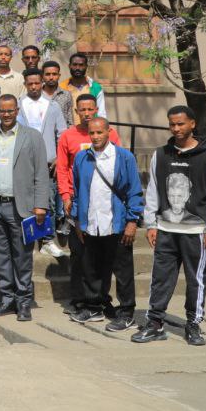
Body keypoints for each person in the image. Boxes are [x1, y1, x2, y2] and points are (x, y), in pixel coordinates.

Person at [132, 105, 206, 347]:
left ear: (192, 124)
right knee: (160, 279)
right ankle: (154, 323)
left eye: (181, 124)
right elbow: (153, 189)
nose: (176, 128)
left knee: (196, 280)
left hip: (196, 233)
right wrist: (151, 223)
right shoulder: (161, 154)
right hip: (165, 230)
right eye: (172, 124)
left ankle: (193, 324)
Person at [0, 95, 50, 322]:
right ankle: (7, 298)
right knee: (1, 255)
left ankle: (23, 301)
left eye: (10, 111)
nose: (6, 114)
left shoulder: (32, 137)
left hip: (22, 207)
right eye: (3, 111)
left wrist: (41, 205)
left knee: (22, 256)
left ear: (17, 110)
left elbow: (41, 173)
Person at [69, 117, 142, 330]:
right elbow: (76, 192)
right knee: (91, 268)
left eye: (99, 132)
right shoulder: (82, 158)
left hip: (117, 224)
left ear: (109, 132)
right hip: (90, 223)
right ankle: (94, 307)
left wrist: (132, 221)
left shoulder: (124, 157)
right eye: (92, 133)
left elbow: (134, 191)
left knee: (122, 270)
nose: (96, 137)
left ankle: (126, 312)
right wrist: (77, 221)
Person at [57, 93, 120, 304]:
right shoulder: (68, 136)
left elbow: (119, 165)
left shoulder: (110, 133)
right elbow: (62, 169)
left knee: (103, 256)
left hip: (104, 205)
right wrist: (66, 196)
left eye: (90, 109)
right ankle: (78, 300)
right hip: (78, 205)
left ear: (96, 109)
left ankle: (102, 298)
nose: (86, 113)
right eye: (82, 110)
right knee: (79, 254)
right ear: (76, 111)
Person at [64, 52, 107, 123]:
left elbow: (101, 113)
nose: (77, 68)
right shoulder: (62, 87)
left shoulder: (95, 88)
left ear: (86, 67)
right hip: (69, 131)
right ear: (69, 66)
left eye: (81, 65)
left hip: (91, 130)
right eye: (74, 65)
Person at [40, 60, 75, 124]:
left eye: (54, 74)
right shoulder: (37, 95)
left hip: (62, 133)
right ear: (42, 76)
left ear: (59, 76)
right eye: (47, 74)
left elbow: (70, 120)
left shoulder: (66, 94)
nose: (51, 77)